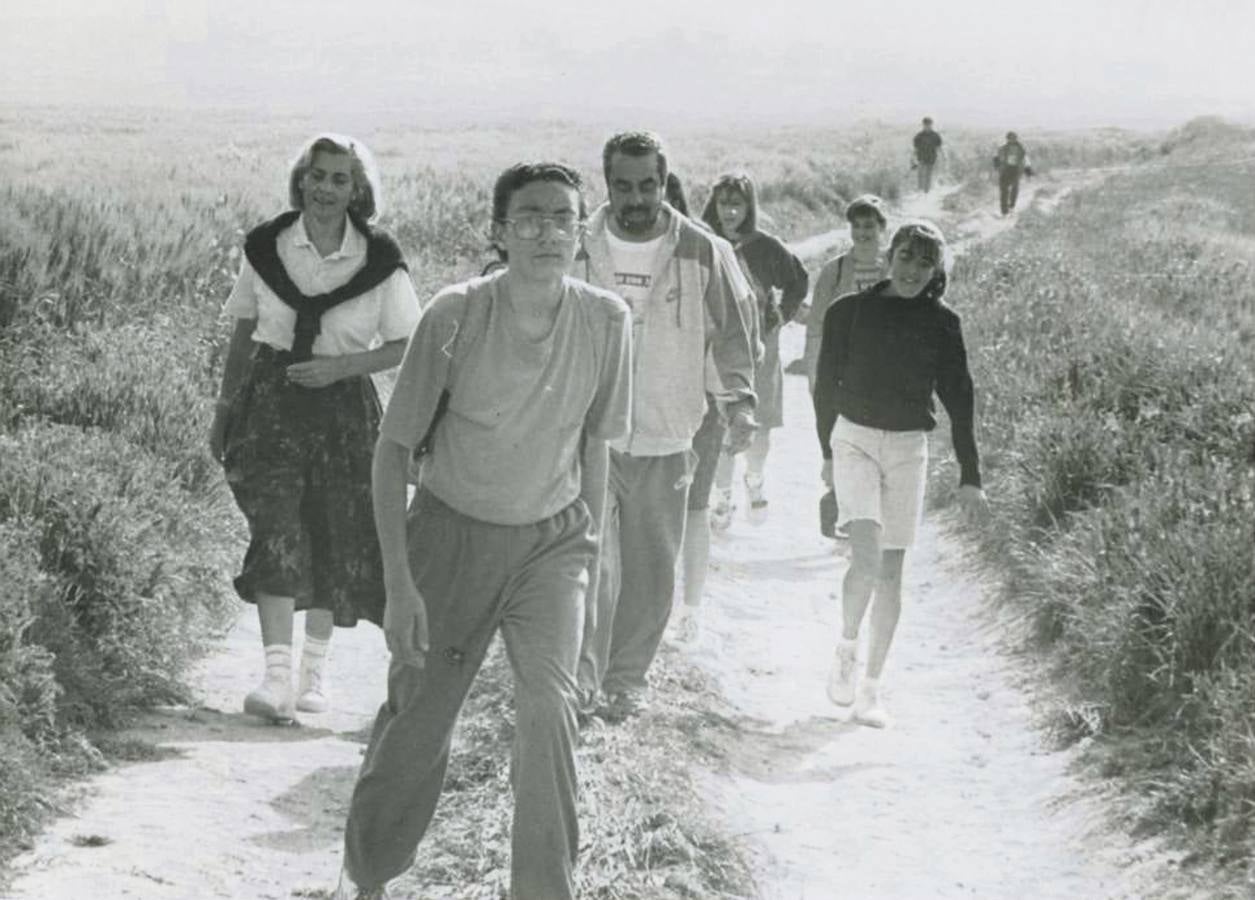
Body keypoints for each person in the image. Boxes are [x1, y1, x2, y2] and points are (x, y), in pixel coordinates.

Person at [334, 162, 632, 900]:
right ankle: (366, 880)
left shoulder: (606, 320)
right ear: (497, 234)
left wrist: (590, 575)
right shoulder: (455, 314)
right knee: (418, 725)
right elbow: (393, 452)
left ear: (581, 232)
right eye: (528, 219)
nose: (546, 233)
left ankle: (542, 891)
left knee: (548, 709)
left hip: (552, 545)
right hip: (451, 535)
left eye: (563, 218)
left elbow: (597, 450)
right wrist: (399, 588)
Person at [210, 133, 419, 723]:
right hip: (270, 404)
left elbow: (408, 342)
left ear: (357, 190)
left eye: (339, 179)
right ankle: (275, 677)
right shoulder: (267, 247)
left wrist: (340, 367)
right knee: (275, 528)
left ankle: (312, 676)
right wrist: (224, 411)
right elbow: (245, 331)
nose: (324, 188)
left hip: (344, 410)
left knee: (335, 532)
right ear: (301, 179)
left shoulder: (378, 259)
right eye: (316, 175)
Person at [577, 131, 757, 719]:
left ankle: (626, 680)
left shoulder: (702, 251)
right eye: (623, 186)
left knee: (652, 567)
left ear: (664, 181)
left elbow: (730, 336)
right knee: (589, 564)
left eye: (647, 185)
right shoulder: (578, 246)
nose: (636, 198)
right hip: (587, 436)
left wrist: (739, 403)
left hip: (667, 433)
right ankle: (583, 677)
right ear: (607, 184)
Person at [813, 219, 989, 728]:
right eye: (906, 257)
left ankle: (870, 688)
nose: (913, 270)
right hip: (854, 441)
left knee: (892, 572)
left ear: (937, 270)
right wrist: (826, 453)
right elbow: (826, 388)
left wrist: (970, 475)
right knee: (865, 560)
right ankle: (847, 646)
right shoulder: (849, 312)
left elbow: (961, 399)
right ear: (890, 256)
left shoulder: (943, 323)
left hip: (909, 448)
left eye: (925, 262)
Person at [666, 173, 761, 646]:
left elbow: (745, 331)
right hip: (630, 412)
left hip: (695, 410)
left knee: (693, 508)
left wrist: (736, 400)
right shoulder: (601, 251)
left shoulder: (711, 252)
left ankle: (689, 610)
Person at [701, 173, 808, 521]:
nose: (729, 211)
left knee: (759, 420)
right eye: (723, 203)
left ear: (749, 207)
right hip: (718, 347)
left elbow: (797, 281)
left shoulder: (765, 246)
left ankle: (755, 479)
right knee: (720, 420)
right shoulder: (704, 241)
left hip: (761, 346)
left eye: (736, 204)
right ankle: (723, 495)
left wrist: (781, 317)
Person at [803, 194, 889, 394]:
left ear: (882, 227)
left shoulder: (894, 268)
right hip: (843, 363)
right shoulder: (834, 270)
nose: (861, 232)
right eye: (856, 226)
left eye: (868, 226)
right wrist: (814, 377)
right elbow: (816, 326)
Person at [994, 130, 1032, 216]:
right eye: (1009, 138)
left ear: (1015, 139)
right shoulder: (1003, 148)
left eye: (1012, 138)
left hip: (1015, 171)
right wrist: (997, 167)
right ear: (1007, 139)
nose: (1011, 140)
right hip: (1005, 171)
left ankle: (1011, 207)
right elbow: (996, 157)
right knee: (1004, 191)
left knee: (1013, 190)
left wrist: (1028, 172)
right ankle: (1004, 211)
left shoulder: (1020, 149)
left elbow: (1026, 161)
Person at [912, 117, 944, 194]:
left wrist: (943, 158)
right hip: (921, 158)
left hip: (931, 159)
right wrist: (913, 160)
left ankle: (926, 193)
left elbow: (939, 148)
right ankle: (920, 192)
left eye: (929, 124)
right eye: (926, 124)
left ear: (931, 125)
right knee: (920, 176)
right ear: (923, 125)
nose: (927, 126)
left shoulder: (935, 136)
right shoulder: (919, 136)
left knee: (928, 177)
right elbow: (915, 149)